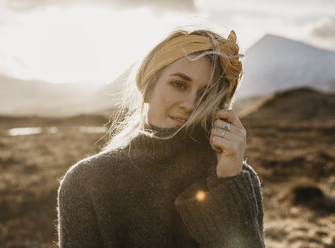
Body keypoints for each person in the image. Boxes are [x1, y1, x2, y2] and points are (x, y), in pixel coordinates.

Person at [57, 28, 265, 247]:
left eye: (206, 94)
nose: (190, 105)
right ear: (147, 89)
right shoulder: (86, 181)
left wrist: (227, 184)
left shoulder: (236, 178)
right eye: (179, 84)